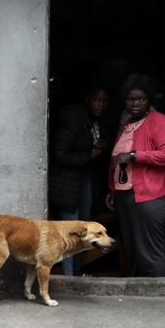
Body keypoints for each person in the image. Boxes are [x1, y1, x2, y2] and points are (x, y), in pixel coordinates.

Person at [106, 74, 165, 277]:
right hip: (126, 195)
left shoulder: (159, 122)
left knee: (149, 253)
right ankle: (137, 297)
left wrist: (134, 155)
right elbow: (117, 159)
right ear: (125, 102)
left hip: (149, 198)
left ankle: (157, 299)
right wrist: (113, 189)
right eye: (131, 99)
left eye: (141, 99)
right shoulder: (128, 123)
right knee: (132, 250)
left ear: (150, 100)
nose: (136, 103)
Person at [48, 84, 114, 275]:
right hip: (66, 181)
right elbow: (59, 154)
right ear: (87, 100)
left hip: (84, 177)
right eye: (96, 100)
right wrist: (87, 156)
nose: (100, 105)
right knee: (72, 230)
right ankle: (69, 277)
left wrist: (104, 144)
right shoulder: (73, 120)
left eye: (104, 101)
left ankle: (76, 271)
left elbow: (102, 138)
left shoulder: (98, 121)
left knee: (85, 227)